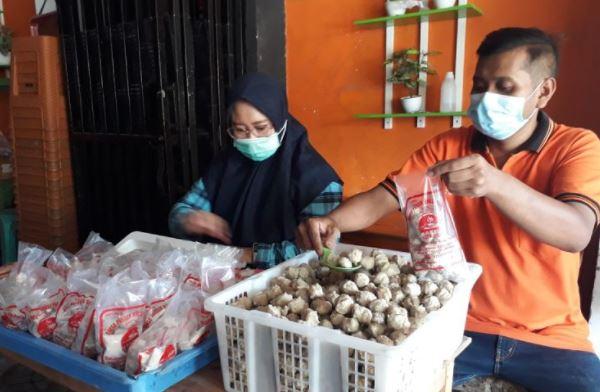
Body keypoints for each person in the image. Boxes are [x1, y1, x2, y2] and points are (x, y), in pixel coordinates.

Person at [296, 28, 600, 391]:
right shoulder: (447, 146)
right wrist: (332, 221)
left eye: (505, 87)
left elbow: (576, 232)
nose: (487, 98)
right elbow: (384, 197)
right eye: (480, 85)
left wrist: (496, 183)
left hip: (551, 337)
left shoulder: (576, 147)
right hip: (455, 322)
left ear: (544, 92)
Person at [170, 73, 342, 268]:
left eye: (261, 128)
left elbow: (316, 249)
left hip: (287, 287)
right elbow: (182, 210)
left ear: (280, 121)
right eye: (240, 129)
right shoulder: (226, 164)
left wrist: (249, 255)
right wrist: (188, 219)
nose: (251, 138)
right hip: (221, 274)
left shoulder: (318, 180)